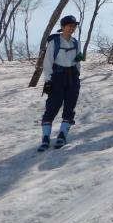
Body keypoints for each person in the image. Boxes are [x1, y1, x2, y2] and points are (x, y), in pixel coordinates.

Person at [38, 15, 84, 151]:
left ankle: (62, 136)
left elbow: (78, 60)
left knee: (70, 107)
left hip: (73, 78)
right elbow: (47, 63)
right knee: (52, 106)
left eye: (74, 26)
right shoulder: (54, 42)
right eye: (69, 25)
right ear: (63, 27)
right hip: (57, 78)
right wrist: (48, 81)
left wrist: (77, 74)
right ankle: (45, 138)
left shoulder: (76, 42)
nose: (72, 28)